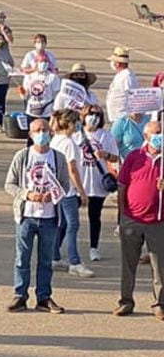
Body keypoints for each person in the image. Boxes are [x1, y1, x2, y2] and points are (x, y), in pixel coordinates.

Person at [4, 119, 69, 313]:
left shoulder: (58, 158)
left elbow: (65, 185)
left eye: (45, 130)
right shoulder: (22, 156)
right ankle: (20, 295)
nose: (42, 133)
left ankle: (44, 297)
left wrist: (53, 195)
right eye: (37, 130)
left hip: (49, 217)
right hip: (26, 216)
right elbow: (10, 184)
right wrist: (28, 194)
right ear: (31, 135)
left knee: (46, 260)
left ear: (51, 133)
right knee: (22, 259)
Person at [114, 121, 164, 318]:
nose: (159, 136)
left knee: (159, 266)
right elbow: (122, 186)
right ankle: (126, 301)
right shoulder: (135, 156)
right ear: (146, 136)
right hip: (132, 219)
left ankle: (159, 303)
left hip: (158, 221)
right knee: (128, 263)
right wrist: (122, 215)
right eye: (155, 133)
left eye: (161, 132)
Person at [49, 110, 94, 278]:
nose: (77, 125)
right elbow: (72, 169)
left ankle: (54, 256)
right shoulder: (68, 143)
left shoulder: (56, 140)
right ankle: (74, 262)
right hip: (68, 191)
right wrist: (81, 191)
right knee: (72, 225)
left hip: (58, 189)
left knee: (62, 224)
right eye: (75, 122)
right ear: (69, 124)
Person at [77, 104, 120, 262]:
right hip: (79, 183)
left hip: (97, 182)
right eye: (90, 114)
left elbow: (115, 157)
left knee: (95, 217)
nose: (93, 117)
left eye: (97, 115)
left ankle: (93, 248)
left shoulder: (106, 136)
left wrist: (105, 154)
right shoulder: (76, 134)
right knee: (70, 218)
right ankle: (62, 247)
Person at [106, 46, 138, 123]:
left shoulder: (127, 77)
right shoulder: (121, 75)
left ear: (117, 64)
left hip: (123, 117)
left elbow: (132, 96)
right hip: (116, 116)